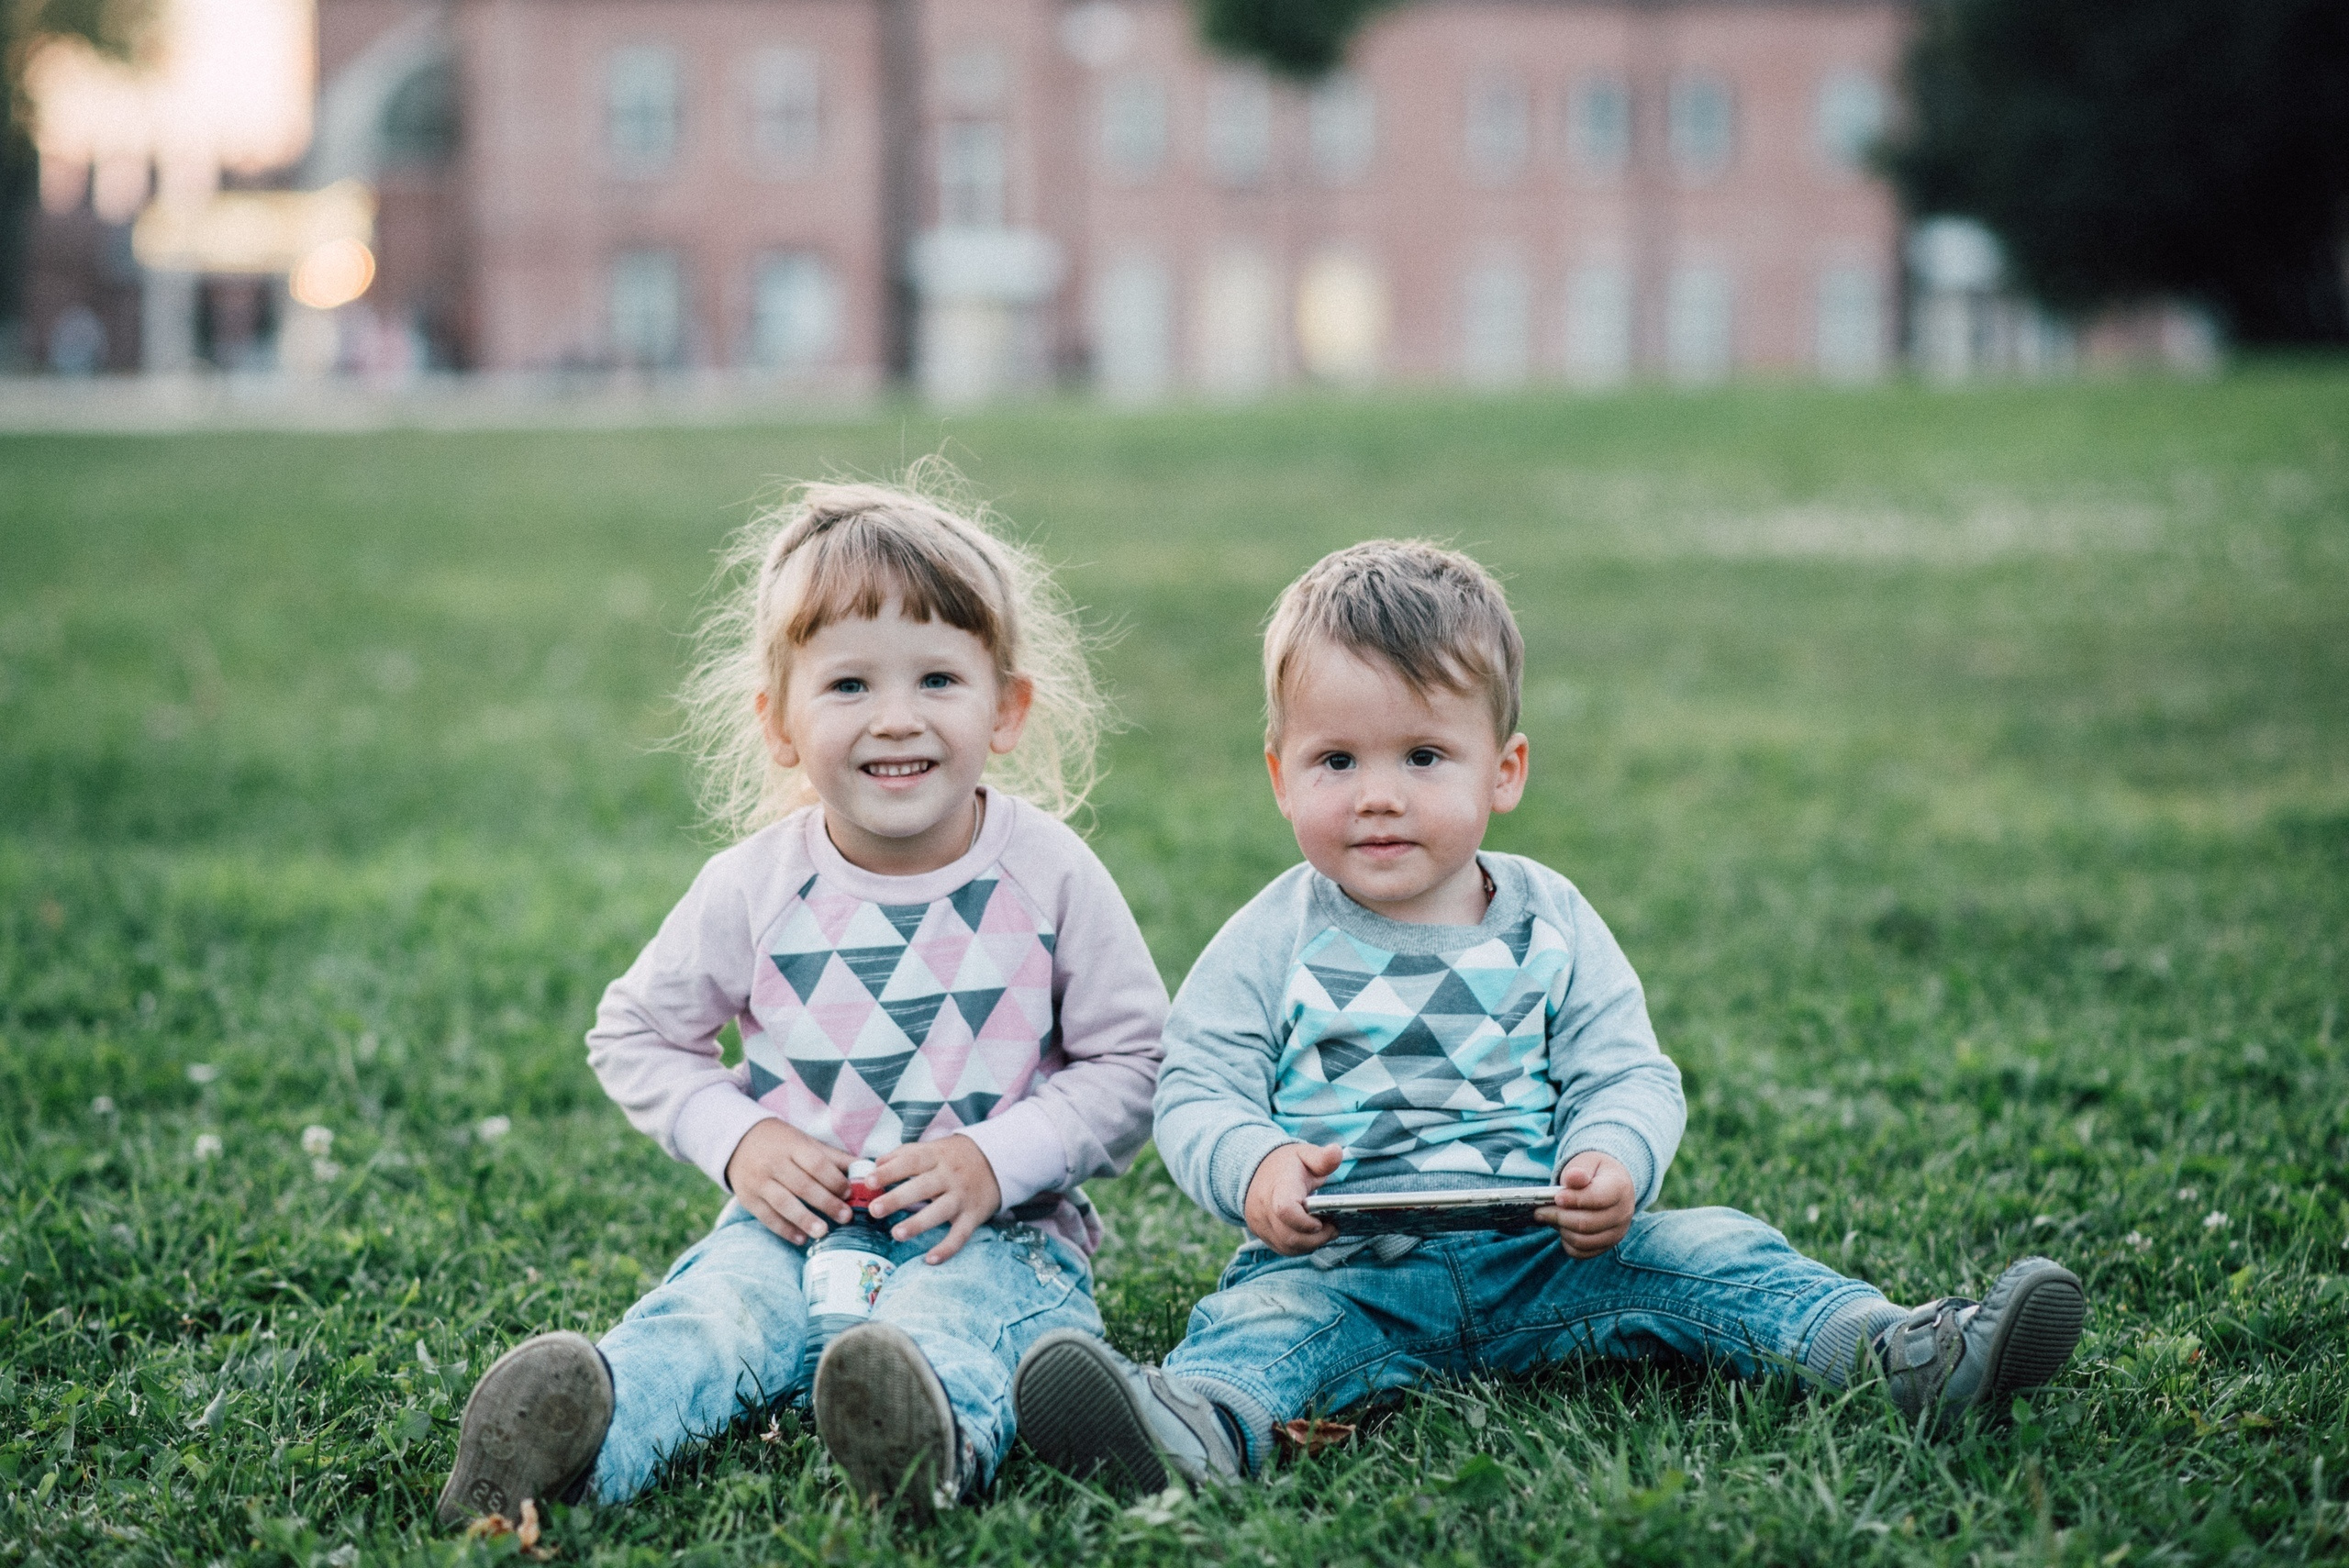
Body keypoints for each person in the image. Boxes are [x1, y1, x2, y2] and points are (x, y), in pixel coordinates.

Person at [1010, 539, 2087, 1491]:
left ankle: (1899, 1352)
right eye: (1336, 760)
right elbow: (1195, 1082)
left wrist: (1613, 1161)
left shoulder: (1549, 919)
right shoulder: (1273, 934)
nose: (1378, 793)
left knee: (1720, 1251)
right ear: (1279, 778)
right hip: (1338, 1272)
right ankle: (1190, 1427)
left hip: (1544, 1257)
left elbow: (1626, 1072)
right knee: (1256, 1333)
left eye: (1423, 756)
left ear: (1503, 770)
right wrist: (1254, 1166)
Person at [438, 475, 1165, 1525]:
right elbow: (636, 1031)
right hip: (790, 1235)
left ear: (1006, 707)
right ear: (778, 719)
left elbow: (1134, 1061)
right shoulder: (755, 885)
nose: (897, 718)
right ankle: (569, 1453)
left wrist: (995, 1161)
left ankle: (923, 1449)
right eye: (849, 686)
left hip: (997, 1235)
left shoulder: (1048, 874)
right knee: (707, 1318)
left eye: (938, 678)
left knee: (951, 1324)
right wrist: (742, 1143)